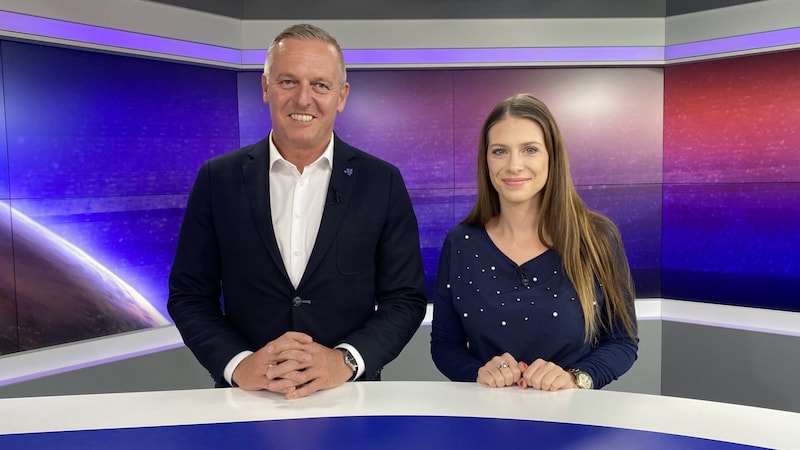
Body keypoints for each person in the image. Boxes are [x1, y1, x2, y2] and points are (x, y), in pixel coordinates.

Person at [168, 24, 427, 400]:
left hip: (348, 396)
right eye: (288, 82)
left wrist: (345, 360)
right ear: (265, 88)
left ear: (341, 96)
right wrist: (239, 363)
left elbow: (404, 298)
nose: (304, 99)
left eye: (320, 85)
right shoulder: (217, 179)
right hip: (246, 398)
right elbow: (189, 295)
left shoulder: (381, 181)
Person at [430, 94, 638, 390]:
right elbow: (444, 345)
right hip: (486, 420)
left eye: (529, 150)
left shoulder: (597, 238)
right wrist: (478, 372)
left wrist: (574, 377)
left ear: (551, 156)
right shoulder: (460, 244)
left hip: (575, 421)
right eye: (500, 151)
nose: (514, 165)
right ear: (486, 160)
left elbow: (622, 342)